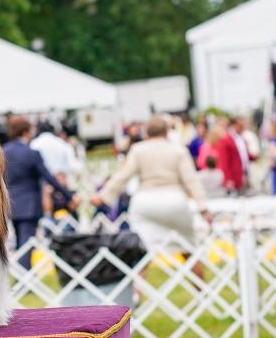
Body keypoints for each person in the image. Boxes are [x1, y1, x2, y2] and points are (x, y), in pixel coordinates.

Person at [91, 115, 212, 283]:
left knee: (142, 253)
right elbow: (191, 180)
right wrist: (203, 207)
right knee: (188, 249)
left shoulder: (138, 150)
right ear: (167, 132)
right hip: (174, 201)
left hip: (145, 203)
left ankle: (136, 295)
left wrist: (103, 197)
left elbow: (123, 176)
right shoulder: (179, 150)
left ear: (146, 133)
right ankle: (202, 292)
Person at [3, 116, 79, 270]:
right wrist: (69, 195)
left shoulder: (3, 151)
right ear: (25, 131)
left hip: (9, 203)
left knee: (19, 241)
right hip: (30, 204)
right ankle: (24, 278)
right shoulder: (31, 153)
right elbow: (49, 178)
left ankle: (22, 275)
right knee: (27, 242)